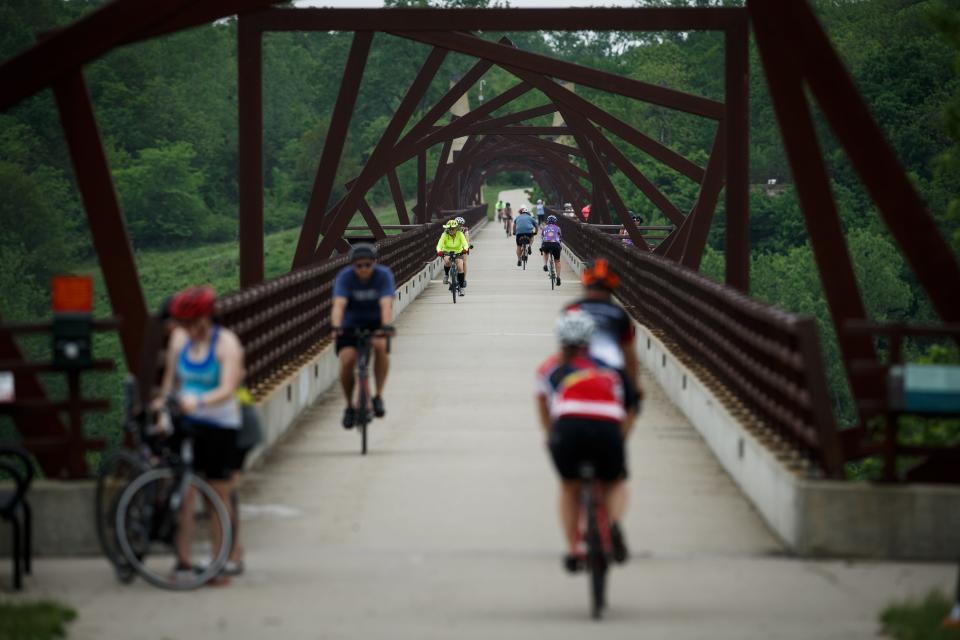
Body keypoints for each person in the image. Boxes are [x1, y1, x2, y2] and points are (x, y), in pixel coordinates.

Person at [536, 310, 640, 572]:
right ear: (590, 340)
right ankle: (613, 523)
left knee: (569, 487)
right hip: (607, 429)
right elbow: (631, 406)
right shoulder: (610, 367)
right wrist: (621, 437)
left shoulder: (550, 369)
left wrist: (551, 436)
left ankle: (574, 549)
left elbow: (544, 405)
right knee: (615, 481)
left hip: (569, 430)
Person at [159, 285, 245, 582]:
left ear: (209, 318)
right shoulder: (179, 341)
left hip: (219, 424)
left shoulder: (226, 344)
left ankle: (218, 561)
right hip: (185, 422)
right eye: (185, 324)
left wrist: (199, 401)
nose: (190, 330)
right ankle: (183, 561)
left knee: (216, 495)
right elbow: (171, 381)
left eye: (196, 323)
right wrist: (160, 409)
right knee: (183, 491)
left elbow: (228, 388)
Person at [331, 243, 396, 428]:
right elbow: (339, 305)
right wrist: (336, 328)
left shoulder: (383, 275)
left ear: (374, 263)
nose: (364, 269)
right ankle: (349, 406)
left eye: (368, 265)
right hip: (349, 324)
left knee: (381, 346)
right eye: (359, 266)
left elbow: (386, 304)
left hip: (375, 322)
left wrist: (385, 326)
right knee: (348, 360)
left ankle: (378, 396)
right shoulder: (345, 277)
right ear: (352, 265)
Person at [436, 219, 470, 294]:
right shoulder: (444, 235)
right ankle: (446, 274)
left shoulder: (460, 234)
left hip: (458, 252)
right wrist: (439, 251)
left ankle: (461, 288)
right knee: (447, 261)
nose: (451, 230)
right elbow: (439, 245)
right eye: (449, 229)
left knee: (460, 267)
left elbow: (465, 244)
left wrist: (465, 249)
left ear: (456, 228)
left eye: (453, 229)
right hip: (447, 251)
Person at [539, 214, 563, 285]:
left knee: (545, 252)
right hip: (555, 244)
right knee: (557, 261)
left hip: (546, 244)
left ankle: (545, 265)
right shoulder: (558, 228)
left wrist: (541, 247)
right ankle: (558, 277)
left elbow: (542, 238)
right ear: (555, 222)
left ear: (547, 221)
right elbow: (560, 238)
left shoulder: (544, 227)